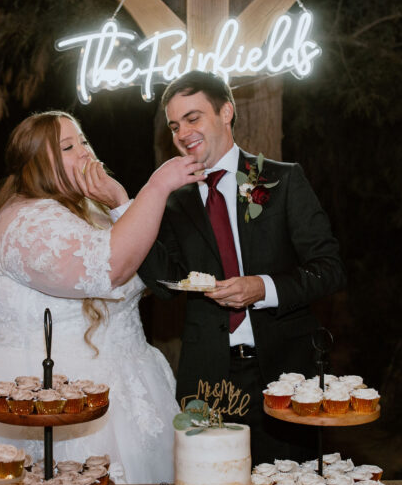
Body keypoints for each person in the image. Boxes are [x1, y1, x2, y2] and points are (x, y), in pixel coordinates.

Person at [0, 111, 206, 483]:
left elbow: (155, 273)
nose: (85, 152)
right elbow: (109, 269)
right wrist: (155, 188)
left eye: (84, 141)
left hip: (123, 391)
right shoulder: (31, 221)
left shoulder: (90, 212)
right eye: (68, 147)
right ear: (37, 164)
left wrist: (119, 198)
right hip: (45, 401)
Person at [136, 71, 345, 464]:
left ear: (226, 112)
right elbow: (164, 284)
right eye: (175, 125)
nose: (183, 133)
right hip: (209, 375)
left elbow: (329, 269)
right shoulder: (176, 202)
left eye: (193, 118)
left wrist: (262, 288)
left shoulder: (282, 180)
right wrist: (125, 208)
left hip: (286, 373)